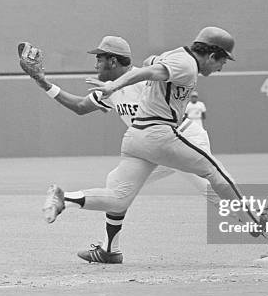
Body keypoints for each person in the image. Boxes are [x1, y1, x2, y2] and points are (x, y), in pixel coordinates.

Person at [40, 27, 268, 258]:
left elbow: (150, 64)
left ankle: (66, 199)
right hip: (165, 137)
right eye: (222, 62)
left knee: (119, 196)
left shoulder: (175, 58)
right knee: (217, 174)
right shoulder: (185, 65)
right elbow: (148, 70)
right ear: (211, 56)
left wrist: (118, 81)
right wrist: (110, 86)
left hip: (138, 140)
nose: (221, 68)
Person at [20, 36, 220, 264]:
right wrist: (43, 83)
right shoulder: (111, 89)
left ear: (113, 61)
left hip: (182, 139)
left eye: (99, 58)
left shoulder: (145, 81)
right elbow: (80, 106)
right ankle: (109, 250)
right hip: (153, 147)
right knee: (116, 184)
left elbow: (160, 74)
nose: (96, 64)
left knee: (214, 192)